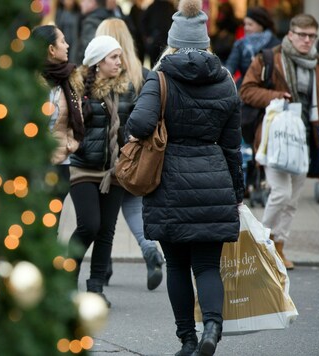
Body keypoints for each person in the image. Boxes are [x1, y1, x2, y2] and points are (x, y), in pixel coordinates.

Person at [126, 0, 243, 354]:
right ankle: (211, 327)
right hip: (214, 180)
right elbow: (232, 146)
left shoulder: (159, 77)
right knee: (207, 265)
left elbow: (139, 124)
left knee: (177, 265)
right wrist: (237, 192)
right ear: (205, 43)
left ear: (172, 42)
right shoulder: (224, 81)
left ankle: (188, 342)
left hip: (168, 183)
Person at [240, 14, 319, 271]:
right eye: (301, 35)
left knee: (293, 200)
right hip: (275, 137)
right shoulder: (268, 58)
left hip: (304, 140)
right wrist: (276, 96)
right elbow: (246, 91)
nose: (306, 40)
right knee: (281, 193)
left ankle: (278, 246)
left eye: (311, 36)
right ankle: (260, 242)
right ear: (290, 35)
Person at [95, 18, 165, 291]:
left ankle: (105, 266)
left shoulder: (99, 76)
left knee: (105, 215)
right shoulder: (142, 74)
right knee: (133, 206)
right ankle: (150, 250)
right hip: (134, 155)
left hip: (104, 156)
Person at [68, 35, 136, 307]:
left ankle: (95, 288)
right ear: (98, 62)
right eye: (113, 57)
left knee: (107, 230)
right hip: (83, 167)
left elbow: (129, 124)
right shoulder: (78, 89)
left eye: (119, 57)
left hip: (114, 170)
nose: (119, 62)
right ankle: (66, 281)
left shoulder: (123, 90)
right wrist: (78, 147)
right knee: (89, 225)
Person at [32, 25, 85, 207]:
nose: (68, 45)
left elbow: (77, 117)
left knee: (54, 217)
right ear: (51, 50)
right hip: (34, 162)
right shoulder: (29, 82)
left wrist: (70, 144)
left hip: (62, 161)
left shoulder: (70, 79)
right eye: (62, 41)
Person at [226, 6, 281, 88]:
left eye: (250, 24)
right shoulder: (240, 45)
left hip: (269, 90)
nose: (246, 28)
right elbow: (230, 67)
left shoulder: (275, 44)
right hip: (244, 88)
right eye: (245, 24)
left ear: (261, 25)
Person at [76, 0, 114, 64]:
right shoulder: (111, 18)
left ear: (92, 2)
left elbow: (89, 51)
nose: (81, 4)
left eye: (83, 1)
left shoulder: (90, 23)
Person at [142, 0, 176, 65]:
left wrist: (147, 37)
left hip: (157, 41)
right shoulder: (169, 6)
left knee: (155, 66)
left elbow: (143, 21)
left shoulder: (153, 6)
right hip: (163, 41)